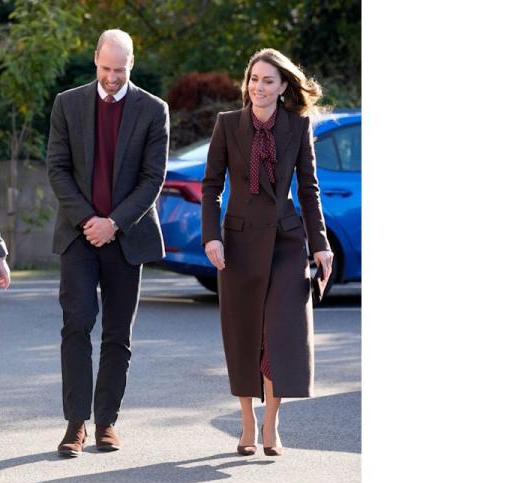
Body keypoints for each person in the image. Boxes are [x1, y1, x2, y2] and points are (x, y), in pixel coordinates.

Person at [201, 48, 334, 457]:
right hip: (238, 244)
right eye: (253, 79)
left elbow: (308, 190)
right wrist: (212, 237)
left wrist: (321, 245)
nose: (258, 87)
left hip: (285, 242)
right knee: (244, 335)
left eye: (268, 81)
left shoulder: (297, 126)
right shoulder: (228, 125)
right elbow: (211, 186)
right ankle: (246, 421)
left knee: (279, 334)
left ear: (282, 88)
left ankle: (272, 423)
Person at [46, 29, 169, 457]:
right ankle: (75, 424)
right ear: (95, 60)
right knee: (76, 324)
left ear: (131, 63)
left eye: (119, 70)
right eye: (105, 68)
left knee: (118, 334)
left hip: (126, 237)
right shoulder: (68, 104)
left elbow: (153, 178)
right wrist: (89, 220)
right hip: (78, 236)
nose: (112, 77)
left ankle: (106, 423)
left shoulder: (154, 110)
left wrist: (114, 223)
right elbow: (57, 169)